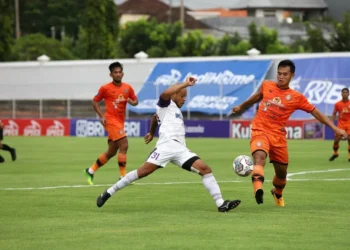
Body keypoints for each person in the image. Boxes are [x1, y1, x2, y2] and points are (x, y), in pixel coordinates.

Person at [96, 77, 241, 212]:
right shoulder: (166, 103)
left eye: (185, 97)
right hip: (165, 147)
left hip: (180, 150)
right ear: (174, 95)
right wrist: (185, 84)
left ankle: (221, 204)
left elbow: (154, 118)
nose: (184, 99)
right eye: (182, 96)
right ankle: (109, 192)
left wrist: (151, 132)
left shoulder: (175, 110)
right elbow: (164, 94)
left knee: (205, 169)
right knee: (142, 172)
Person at [230, 60, 347, 207]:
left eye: (285, 74)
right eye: (279, 73)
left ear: (292, 75)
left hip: (278, 137)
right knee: (259, 157)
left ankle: (277, 193)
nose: (281, 77)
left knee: (281, 174)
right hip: (260, 130)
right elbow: (257, 97)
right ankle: (258, 190)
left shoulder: (296, 97)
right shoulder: (267, 85)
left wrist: (335, 129)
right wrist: (241, 106)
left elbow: (316, 113)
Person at [84, 62, 138, 185]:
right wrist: (101, 116)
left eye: (119, 72)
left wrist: (132, 102)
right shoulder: (105, 88)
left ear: (122, 73)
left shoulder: (127, 88)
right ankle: (123, 177)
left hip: (120, 122)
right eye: (115, 72)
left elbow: (136, 101)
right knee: (124, 145)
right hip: (110, 120)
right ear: (111, 74)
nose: (118, 74)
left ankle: (90, 170)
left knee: (111, 152)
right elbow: (94, 101)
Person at [329, 88, 350, 161]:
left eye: (346, 92)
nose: (345, 94)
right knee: (336, 140)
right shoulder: (338, 104)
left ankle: (349, 155)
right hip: (341, 124)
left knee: (349, 139)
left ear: (348, 94)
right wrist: (332, 122)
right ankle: (335, 153)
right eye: (343, 92)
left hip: (349, 123)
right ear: (341, 94)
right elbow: (334, 113)